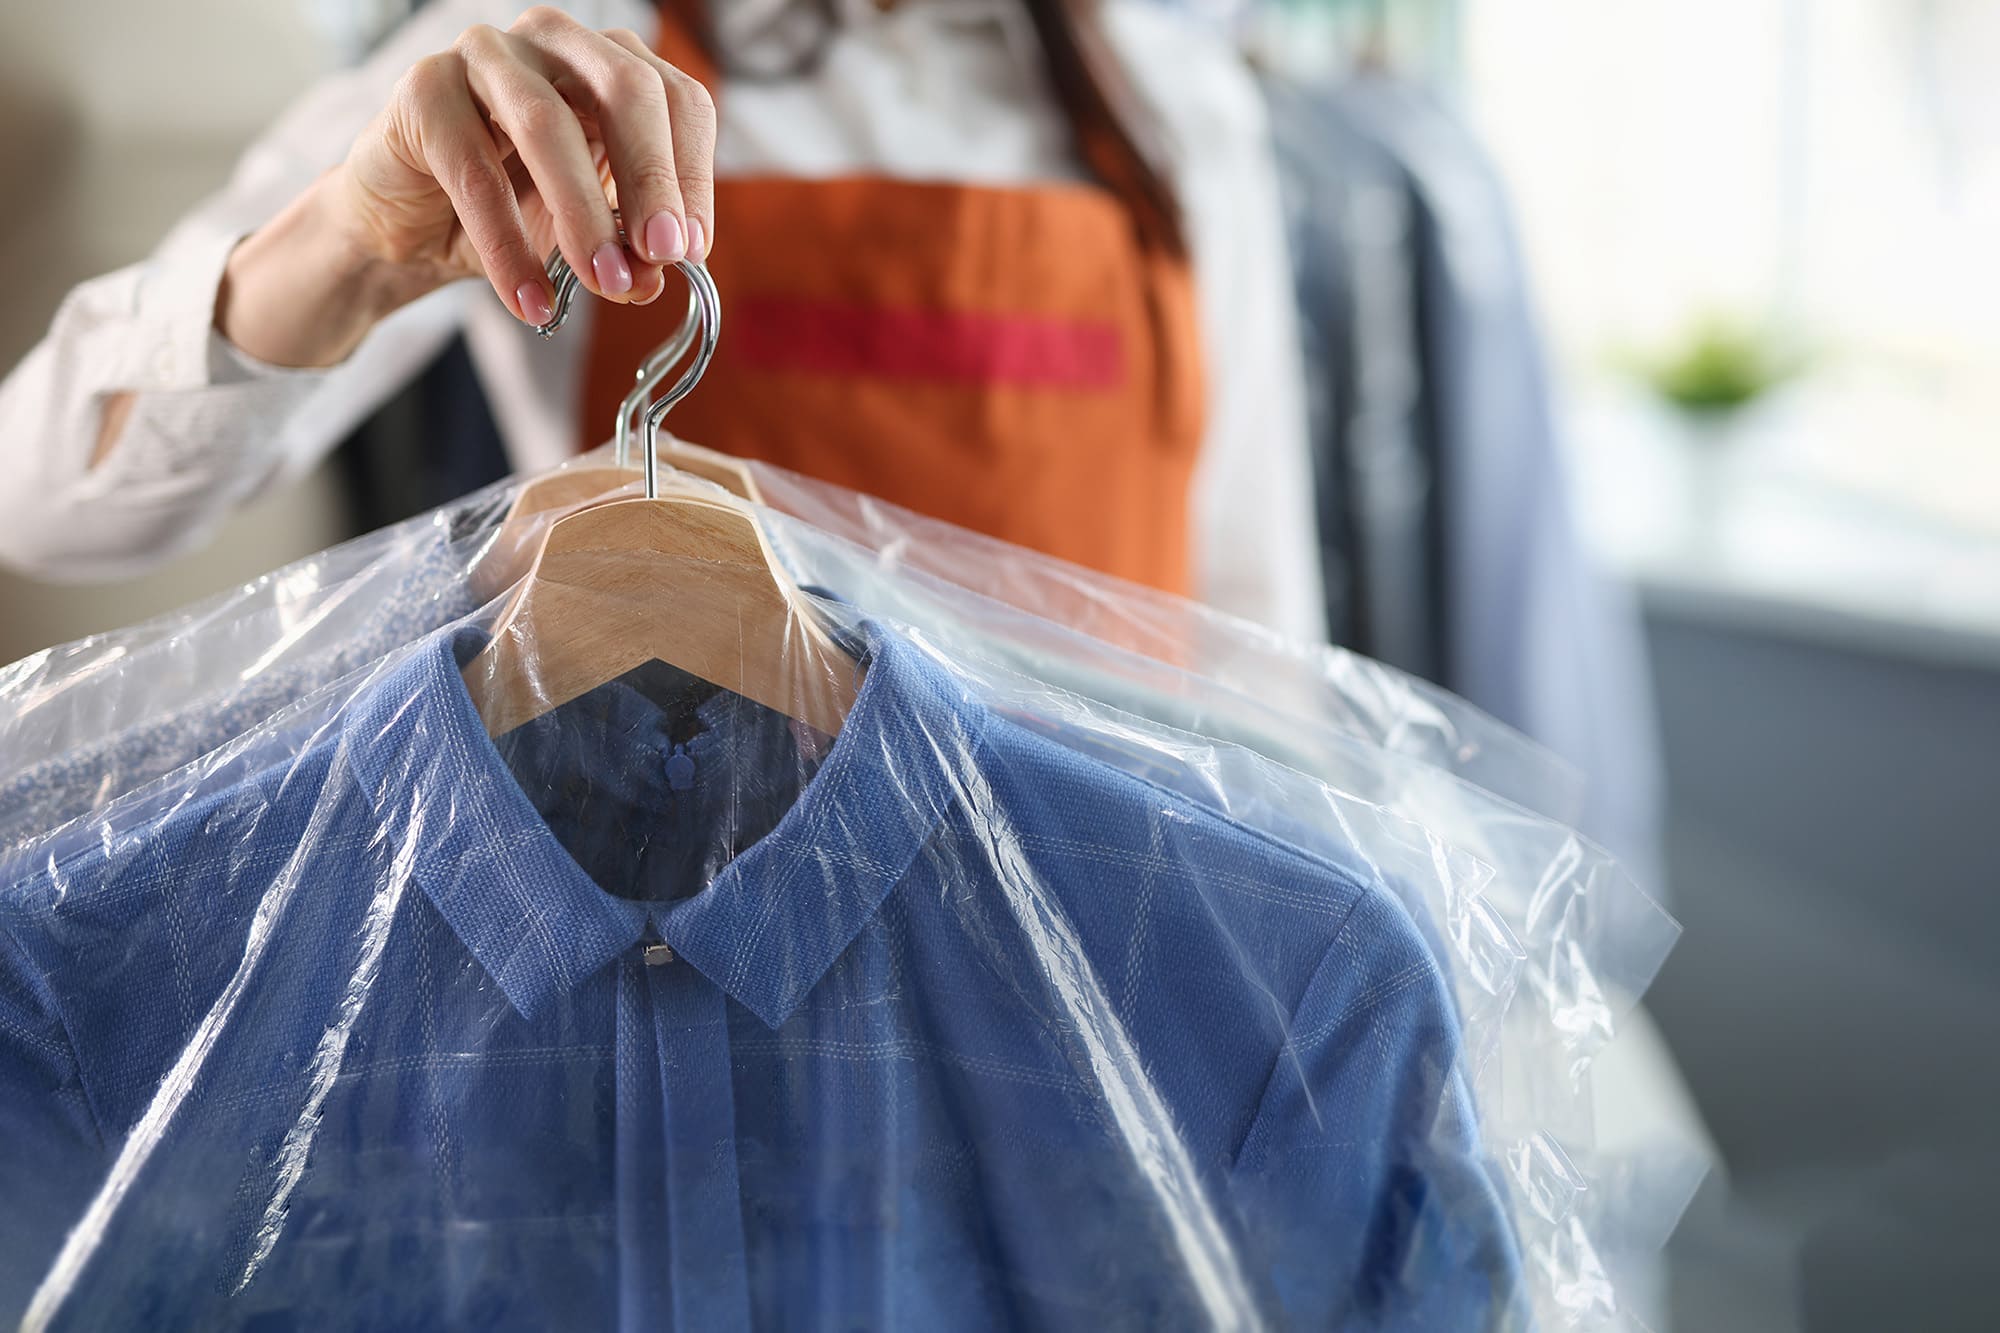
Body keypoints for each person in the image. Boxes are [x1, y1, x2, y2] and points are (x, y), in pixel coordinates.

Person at [0, 0, 1323, 641]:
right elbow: (42, 494)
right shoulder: (547, 55)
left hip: (1085, 1006)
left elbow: (1252, 643)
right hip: (690, 1000)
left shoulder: (1175, 110)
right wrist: (349, 243)